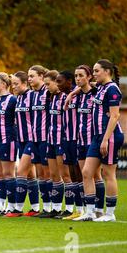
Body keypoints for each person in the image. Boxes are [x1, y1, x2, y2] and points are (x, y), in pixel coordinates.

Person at [73, 59, 124, 222]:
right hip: (97, 137)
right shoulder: (100, 87)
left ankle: (109, 214)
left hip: (109, 137)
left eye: (96, 71)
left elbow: (115, 116)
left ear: (107, 71)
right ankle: (89, 212)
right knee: (87, 172)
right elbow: (85, 85)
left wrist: (105, 139)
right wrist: (72, 94)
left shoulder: (112, 89)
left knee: (108, 173)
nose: (93, 74)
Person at [72, 65, 105, 218]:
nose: (77, 78)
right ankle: (89, 210)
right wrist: (74, 92)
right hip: (80, 140)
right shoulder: (78, 95)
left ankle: (98, 209)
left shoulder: (97, 93)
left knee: (95, 175)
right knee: (85, 175)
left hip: (93, 140)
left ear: (89, 77)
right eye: (76, 76)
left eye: (80, 75)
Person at [6, 71, 36, 217]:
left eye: (17, 84)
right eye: (13, 84)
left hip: (32, 139)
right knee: (30, 175)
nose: (14, 87)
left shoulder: (32, 95)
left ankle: (17, 209)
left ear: (25, 83)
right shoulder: (17, 98)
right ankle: (35, 209)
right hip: (21, 140)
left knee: (21, 172)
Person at [39, 70, 69, 218]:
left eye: (48, 84)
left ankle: (71, 208)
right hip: (50, 140)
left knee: (66, 175)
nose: (46, 87)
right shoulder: (50, 97)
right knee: (53, 175)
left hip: (61, 140)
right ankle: (56, 208)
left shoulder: (66, 97)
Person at [0, 73, 18, 216]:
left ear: (4, 84)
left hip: (7, 141)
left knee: (8, 174)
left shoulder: (12, 100)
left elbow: (18, 120)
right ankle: (0, 206)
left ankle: (12, 207)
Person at [27, 65, 51, 216]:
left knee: (48, 174)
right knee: (40, 175)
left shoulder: (48, 93)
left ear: (42, 76)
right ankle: (46, 207)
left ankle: (52, 207)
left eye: (32, 76)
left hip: (45, 139)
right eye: (28, 76)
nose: (29, 79)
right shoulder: (32, 94)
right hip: (34, 139)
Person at [54, 70, 79, 219]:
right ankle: (76, 209)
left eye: (60, 81)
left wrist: (72, 93)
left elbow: (94, 85)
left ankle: (92, 209)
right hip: (66, 140)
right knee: (73, 175)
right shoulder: (61, 96)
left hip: (78, 140)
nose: (58, 85)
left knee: (83, 174)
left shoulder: (80, 94)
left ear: (70, 81)